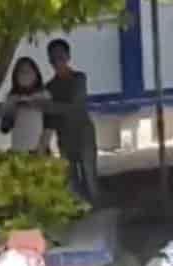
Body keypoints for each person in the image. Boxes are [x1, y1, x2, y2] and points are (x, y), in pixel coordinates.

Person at [39, 39, 100, 204]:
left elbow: (76, 106)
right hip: (64, 137)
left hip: (83, 133)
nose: (57, 60)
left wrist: (48, 106)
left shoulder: (79, 78)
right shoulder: (49, 87)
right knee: (72, 177)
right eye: (53, 57)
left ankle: (95, 205)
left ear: (68, 56)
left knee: (89, 175)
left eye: (60, 55)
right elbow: (50, 116)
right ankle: (81, 208)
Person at [0, 57, 52, 153]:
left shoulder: (44, 94)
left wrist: (42, 147)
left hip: (39, 150)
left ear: (36, 74)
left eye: (29, 71)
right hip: (18, 150)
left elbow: (50, 124)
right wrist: (11, 108)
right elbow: (4, 128)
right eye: (22, 71)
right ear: (15, 76)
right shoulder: (11, 97)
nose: (25, 75)